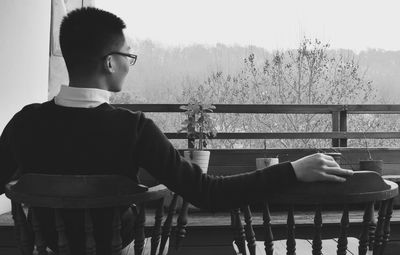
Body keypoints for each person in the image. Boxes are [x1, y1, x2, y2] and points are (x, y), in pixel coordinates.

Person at [0, 7, 353, 254]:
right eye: (128, 56)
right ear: (109, 61)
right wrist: (293, 169)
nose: (129, 64)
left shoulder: (24, 122)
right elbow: (208, 194)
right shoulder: (133, 128)